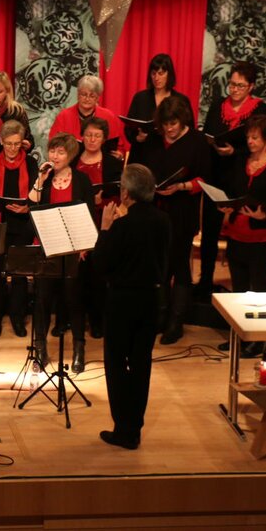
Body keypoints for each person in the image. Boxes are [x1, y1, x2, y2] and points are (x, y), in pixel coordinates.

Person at [91, 164, 171, 450]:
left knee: (116, 364)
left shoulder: (122, 226)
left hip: (122, 300)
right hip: (151, 299)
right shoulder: (163, 221)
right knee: (141, 364)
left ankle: (122, 429)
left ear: (125, 193)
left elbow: (102, 264)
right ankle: (134, 428)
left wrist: (105, 229)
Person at [142, 95, 211, 345]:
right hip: (156, 210)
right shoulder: (154, 140)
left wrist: (181, 186)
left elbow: (205, 179)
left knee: (180, 265)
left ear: (182, 120)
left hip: (182, 211)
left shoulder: (197, 141)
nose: (169, 129)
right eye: (165, 124)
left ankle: (176, 322)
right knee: (159, 266)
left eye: (173, 124)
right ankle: (159, 317)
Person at [198, 61, 266, 298]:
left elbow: (259, 143)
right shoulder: (219, 104)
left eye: (240, 86)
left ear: (251, 86)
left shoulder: (259, 108)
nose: (234, 90)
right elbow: (208, 131)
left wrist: (235, 152)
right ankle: (205, 281)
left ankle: (240, 286)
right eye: (232, 84)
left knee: (237, 232)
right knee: (209, 231)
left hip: (241, 174)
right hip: (215, 173)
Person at [28, 132, 95, 371]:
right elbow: (32, 202)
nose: (54, 156)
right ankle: (41, 350)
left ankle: (78, 348)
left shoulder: (82, 180)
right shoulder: (44, 178)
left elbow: (89, 214)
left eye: (60, 152)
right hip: (47, 246)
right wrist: (40, 178)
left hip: (73, 247)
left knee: (73, 298)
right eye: (52, 151)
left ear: (70, 155)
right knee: (43, 300)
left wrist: (85, 246)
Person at [222, 115, 266, 294]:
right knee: (237, 291)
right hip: (236, 236)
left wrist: (265, 214)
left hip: (260, 239)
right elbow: (232, 190)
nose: (250, 142)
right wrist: (227, 205)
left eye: (255, 138)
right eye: (248, 137)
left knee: (259, 291)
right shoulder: (241, 159)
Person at [0, 120, 37, 338]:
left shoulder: (32, 164)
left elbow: (37, 195)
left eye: (17, 144)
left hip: (22, 224)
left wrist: (27, 207)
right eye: (8, 144)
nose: (13, 148)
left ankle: (18, 317)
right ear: (1, 141)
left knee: (19, 274)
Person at [74, 116, 124, 339]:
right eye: (88, 134)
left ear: (104, 139)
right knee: (76, 275)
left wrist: (101, 202)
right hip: (77, 221)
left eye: (97, 135)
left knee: (98, 274)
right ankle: (72, 319)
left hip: (102, 221)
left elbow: (118, 193)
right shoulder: (73, 159)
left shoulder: (113, 163)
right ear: (81, 136)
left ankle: (97, 320)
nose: (92, 139)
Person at [124, 54, 193, 165]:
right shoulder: (140, 98)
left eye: (161, 73)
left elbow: (190, 131)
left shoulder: (181, 100)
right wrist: (137, 138)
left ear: (169, 74)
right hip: (143, 156)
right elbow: (128, 129)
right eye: (153, 73)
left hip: (172, 157)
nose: (156, 78)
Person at [49, 75, 128, 154]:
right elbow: (53, 144)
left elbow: (119, 147)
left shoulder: (108, 116)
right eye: (83, 94)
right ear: (78, 95)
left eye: (92, 96)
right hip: (69, 163)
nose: (87, 99)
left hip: (101, 162)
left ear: (97, 98)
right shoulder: (63, 116)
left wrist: (118, 154)